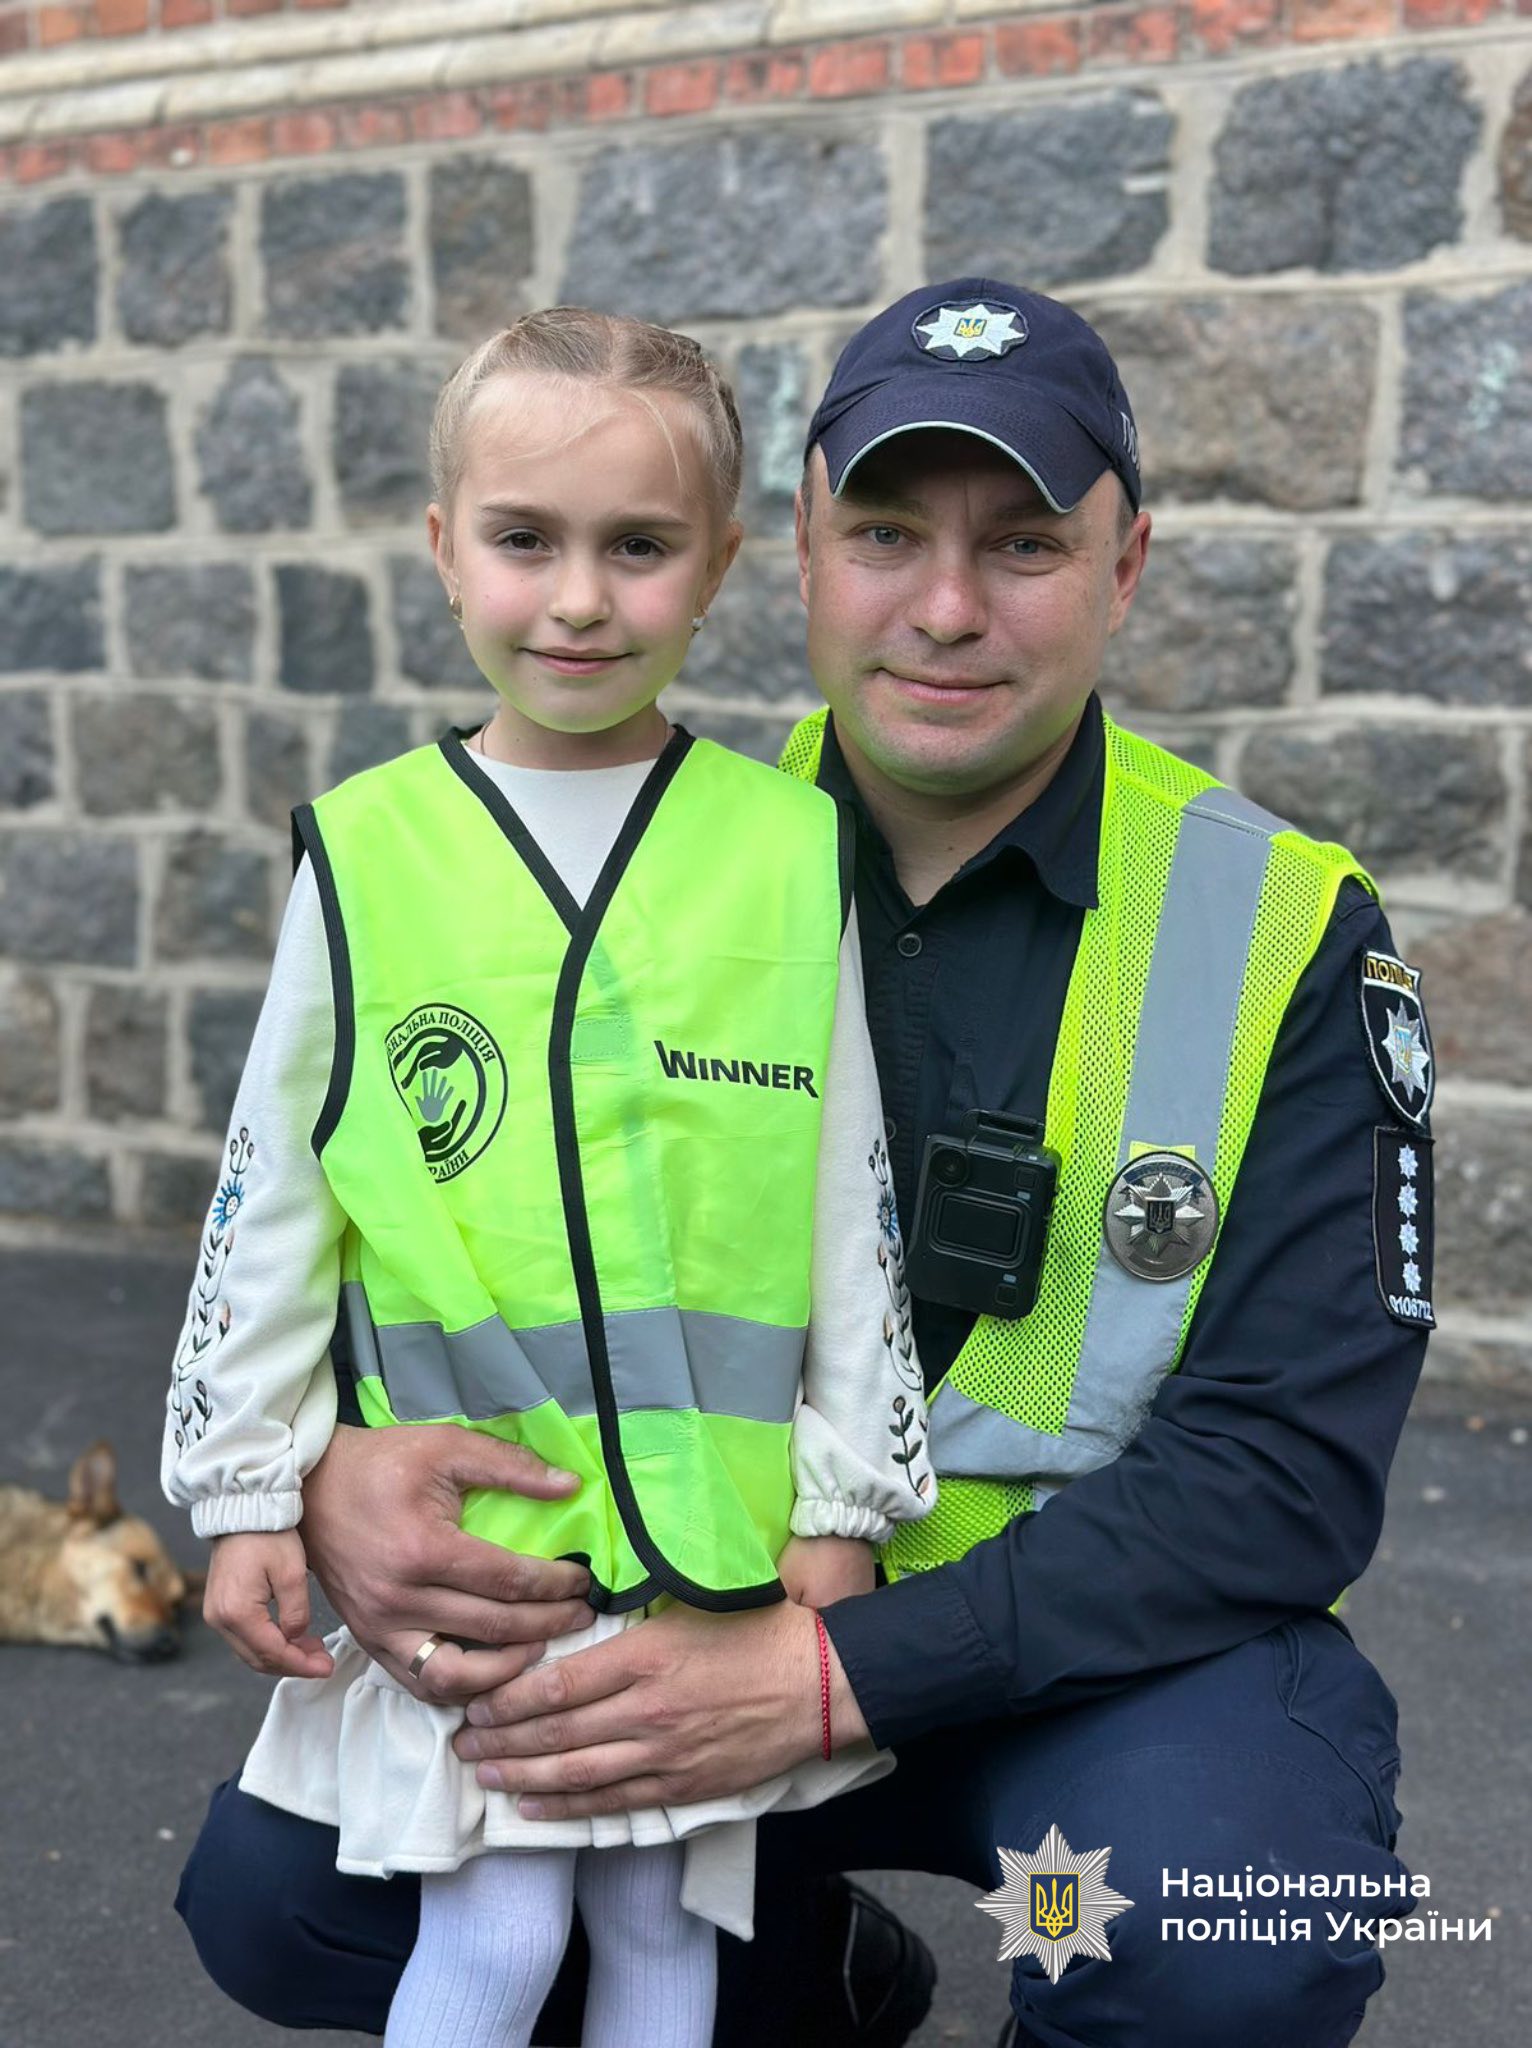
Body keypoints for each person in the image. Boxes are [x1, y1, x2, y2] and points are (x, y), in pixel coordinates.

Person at [175, 279, 1434, 2048]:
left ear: (1128, 564)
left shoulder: (1283, 926)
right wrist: (325, 1471)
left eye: (1024, 547)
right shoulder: (644, 847)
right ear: (796, 552)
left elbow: (1283, 1474)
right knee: (291, 1900)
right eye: (887, 531)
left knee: (1211, 1937)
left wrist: (838, 1669)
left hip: (1086, 1695)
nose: (943, 608)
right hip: (687, 1625)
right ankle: (813, 1993)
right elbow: (406, 1204)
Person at [162, 306, 936, 2048]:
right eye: (527, 540)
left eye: (639, 548)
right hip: (484, 1553)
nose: (580, 599)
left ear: (723, 564)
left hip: (715, 1557)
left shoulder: (785, 844)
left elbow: (847, 1205)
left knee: (667, 1944)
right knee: (497, 1942)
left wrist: (840, 1505)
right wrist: (243, 1490)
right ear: (445, 549)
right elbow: (271, 1190)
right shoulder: (366, 852)